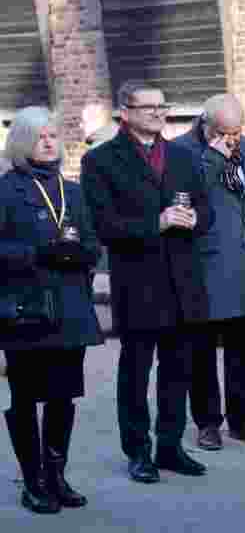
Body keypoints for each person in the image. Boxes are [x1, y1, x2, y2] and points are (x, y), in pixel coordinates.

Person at [81, 81, 213, 483]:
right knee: (135, 372)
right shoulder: (102, 160)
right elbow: (102, 225)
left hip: (183, 281)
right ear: (126, 112)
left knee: (178, 369)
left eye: (162, 105)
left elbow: (206, 208)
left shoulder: (183, 156)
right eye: (148, 106)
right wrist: (155, 223)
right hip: (137, 282)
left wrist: (195, 220)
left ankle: (170, 446)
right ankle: (138, 451)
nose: (158, 113)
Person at [0, 107, 103, 514]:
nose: (49, 141)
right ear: (23, 142)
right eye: (40, 136)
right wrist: (37, 253)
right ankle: (32, 481)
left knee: (62, 397)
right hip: (25, 310)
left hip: (70, 307)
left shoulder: (71, 190)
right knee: (26, 397)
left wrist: (79, 253)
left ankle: (56, 475)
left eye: (53, 134)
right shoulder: (6, 190)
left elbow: (95, 244)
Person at [175, 95, 245, 451]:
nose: (232, 138)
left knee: (243, 347)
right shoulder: (182, 150)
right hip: (206, 262)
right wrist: (215, 156)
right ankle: (207, 422)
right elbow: (188, 194)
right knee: (201, 350)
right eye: (224, 132)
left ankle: (242, 417)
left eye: (237, 130)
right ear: (206, 124)